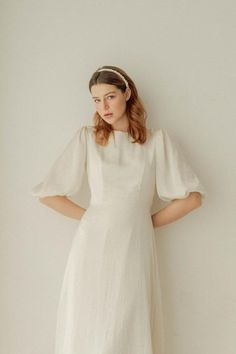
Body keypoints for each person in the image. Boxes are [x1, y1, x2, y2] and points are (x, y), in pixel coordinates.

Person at [31, 65, 207, 354]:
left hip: (134, 245)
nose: (103, 107)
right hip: (92, 244)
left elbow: (192, 198)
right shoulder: (87, 139)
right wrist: (92, 217)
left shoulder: (156, 141)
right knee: (90, 321)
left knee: (127, 321)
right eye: (96, 100)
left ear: (127, 94)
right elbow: (48, 193)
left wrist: (142, 222)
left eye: (110, 96)